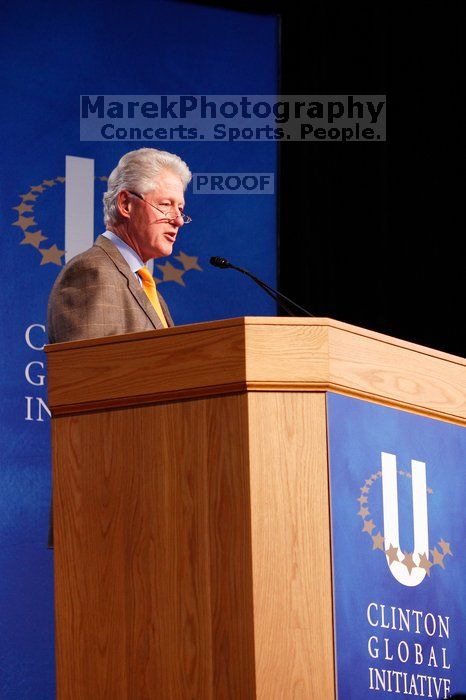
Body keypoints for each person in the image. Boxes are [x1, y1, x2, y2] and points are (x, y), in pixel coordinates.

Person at [47, 147, 192, 344]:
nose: (178, 220)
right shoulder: (92, 272)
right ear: (125, 204)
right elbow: (89, 370)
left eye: (180, 209)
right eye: (166, 205)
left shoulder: (141, 282)